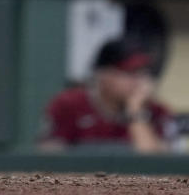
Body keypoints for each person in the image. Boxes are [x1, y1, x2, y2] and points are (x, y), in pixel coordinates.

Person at [41, 39, 177, 152]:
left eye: (143, 73)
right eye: (130, 73)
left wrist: (135, 110)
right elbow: (48, 157)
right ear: (103, 75)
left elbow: (155, 164)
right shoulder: (69, 104)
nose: (139, 81)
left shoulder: (157, 111)